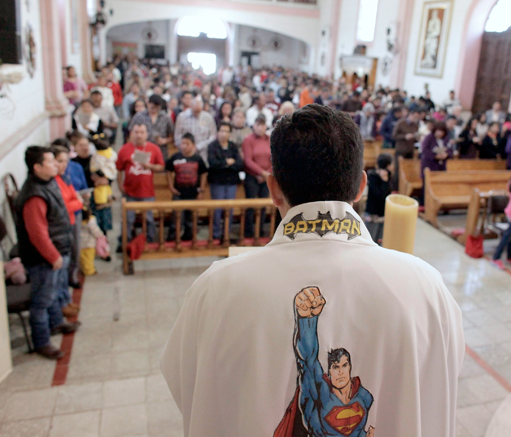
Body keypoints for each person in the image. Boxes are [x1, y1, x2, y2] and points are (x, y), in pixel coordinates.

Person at [161, 104, 464, 436]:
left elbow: (187, 389)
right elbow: (440, 383)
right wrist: (306, 322)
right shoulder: (427, 287)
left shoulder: (214, 289)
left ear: (273, 188)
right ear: (361, 187)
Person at [16, 147, 81, 359]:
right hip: (43, 258)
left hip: (58, 249)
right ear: (37, 167)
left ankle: (56, 323)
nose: (56, 165)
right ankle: (42, 342)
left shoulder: (48, 182)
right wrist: (53, 256)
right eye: (51, 162)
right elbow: (38, 233)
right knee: (41, 301)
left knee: (53, 293)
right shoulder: (34, 195)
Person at [116, 123, 165, 246]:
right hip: (130, 191)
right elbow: (119, 169)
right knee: (128, 218)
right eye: (136, 132)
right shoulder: (125, 149)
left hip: (147, 191)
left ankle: (150, 240)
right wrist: (119, 185)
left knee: (149, 218)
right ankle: (125, 241)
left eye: (142, 132)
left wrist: (150, 166)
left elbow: (161, 166)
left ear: (147, 134)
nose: (139, 135)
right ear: (132, 133)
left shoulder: (154, 148)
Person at [51, 146, 83, 317]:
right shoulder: (53, 182)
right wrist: (77, 203)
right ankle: (62, 303)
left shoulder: (64, 178)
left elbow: (73, 196)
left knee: (70, 259)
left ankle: (66, 300)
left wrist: (76, 201)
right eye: (60, 161)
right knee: (61, 269)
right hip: (61, 226)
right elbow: (64, 205)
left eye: (66, 161)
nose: (64, 165)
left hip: (69, 222)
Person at [165, 133, 208, 241]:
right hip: (178, 193)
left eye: (187, 143)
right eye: (182, 143)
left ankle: (188, 238)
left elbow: (203, 174)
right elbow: (168, 171)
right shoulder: (175, 157)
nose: (184, 146)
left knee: (191, 218)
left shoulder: (198, 158)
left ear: (193, 145)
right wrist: (171, 186)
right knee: (176, 218)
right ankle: (172, 238)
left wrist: (201, 191)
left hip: (193, 193)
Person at [207, 123, 244, 241]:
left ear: (230, 134)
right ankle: (216, 234)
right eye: (222, 131)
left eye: (227, 131)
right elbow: (213, 164)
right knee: (217, 209)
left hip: (231, 182)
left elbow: (239, 164)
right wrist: (228, 163)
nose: (224, 134)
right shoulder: (212, 146)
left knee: (230, 209)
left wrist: (224, 163)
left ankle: (226, 233)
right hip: (217, 182)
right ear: (218, 132)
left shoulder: (233, 146)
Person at [242, 115, 272, 238]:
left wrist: (267, 173)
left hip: (266, 177)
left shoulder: (269, 139)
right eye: (258, 125)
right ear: (254, 126)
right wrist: (261, 173)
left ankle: (260, 230)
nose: (260, 127)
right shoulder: (248, 140)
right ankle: (248, 231)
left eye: (263, 125)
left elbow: (273, 158)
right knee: (251, 204)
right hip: (252, 176)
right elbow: (248, 160)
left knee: (263, 204)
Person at [130, 94, 175, 160]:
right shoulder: (139, 116)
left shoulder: (165, 118)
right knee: (141, 168)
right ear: (148, 104)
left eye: (157, 108)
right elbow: (131, 133)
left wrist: (164, 141)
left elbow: (171, 136)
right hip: (142, 151)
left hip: (161, 151)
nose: (154, 110)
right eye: (152, 107)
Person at [174, 96, 217, 163]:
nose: (197, 114)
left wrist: (198, 147)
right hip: (185, 153)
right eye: (195, 112)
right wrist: (186, 147)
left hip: (203, 152)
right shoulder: (182, 117)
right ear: (191, 106)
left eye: (198, 112)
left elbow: (212, 136)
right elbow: (177, 135)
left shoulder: (208, 117)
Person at [90, 134, 117, 234]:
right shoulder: (94, 156)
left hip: (104, 188)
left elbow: (112, 170)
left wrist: (108, 179)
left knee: (104, 222)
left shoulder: (109, 154)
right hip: (93, 192)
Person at [364, 154, 392, 244]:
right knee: (370, 240)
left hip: (383, 214)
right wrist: (384, 181)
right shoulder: (373, 176)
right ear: (387, 165)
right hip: (373, 214)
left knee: (380, 241)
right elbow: (379, 195)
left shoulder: (389, 175)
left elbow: (388, 195)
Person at [80, 207, 110, 276]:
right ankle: (90, 271)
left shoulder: (78, 221)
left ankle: (83, 268)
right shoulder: (90, 221)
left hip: (81, 244)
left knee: (83, 258)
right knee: (89, 259)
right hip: (89, 244)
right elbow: (95, 231)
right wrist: (101, 235)